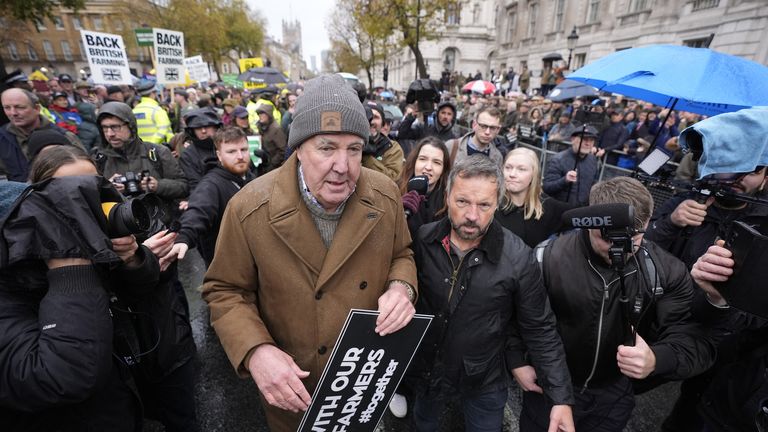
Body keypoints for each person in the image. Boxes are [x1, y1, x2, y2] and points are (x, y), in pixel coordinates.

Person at [201, 74, 418, 431]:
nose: (343, 166)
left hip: (362, 386)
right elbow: (225, 291)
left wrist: (400, 288)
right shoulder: (249, 207)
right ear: (299, 148)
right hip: (295, 391)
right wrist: (256, 351)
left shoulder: (384, 193)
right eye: (326, 147)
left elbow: (402, 253)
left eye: (353, 149)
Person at [516, 176, 715, 432]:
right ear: (589, 223)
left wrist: (657, 359)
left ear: (647, 223)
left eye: (631, 238)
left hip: (612, 397)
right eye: (607, 237)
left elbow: (694, 338)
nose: (616, 249)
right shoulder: (547, 258)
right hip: (548, 387)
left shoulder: (666, 271)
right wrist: (516, 360)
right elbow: (518, 316)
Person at [409, 155, 575, 432]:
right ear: (448, 197)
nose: (472, 215)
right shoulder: (425, 239)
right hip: (430, 373)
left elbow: (540, 327)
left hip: (485, 378)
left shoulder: (518, 256)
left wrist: (560, 398)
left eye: (484, 205)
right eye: (462, 202)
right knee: (424, 423)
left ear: (497, 203)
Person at [642, 108, 768, 432]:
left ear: (765, 176)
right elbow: (642, 252)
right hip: (669, 326)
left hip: (730, 354)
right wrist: (670, 223)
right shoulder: (685, 204)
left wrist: (721, 303)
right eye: (731, 168)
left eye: (752, 170)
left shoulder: (762, 227)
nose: (739, 179)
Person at [164, 127, 255, 267]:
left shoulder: (250, 177)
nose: (240, 156)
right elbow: (199, 210)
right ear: (219, 155)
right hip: (227, 266)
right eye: (231, 151)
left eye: (243, 149)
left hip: (254, 258)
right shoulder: (211, 184)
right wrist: (184, 236)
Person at [94, 101, 188, 226]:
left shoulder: (158, 152)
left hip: (159, 227)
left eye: (115, 127)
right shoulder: (99, 159)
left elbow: (183, 187)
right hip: (121, 230)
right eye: (105, 128)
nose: (110, 134)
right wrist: (107, 188)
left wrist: (157, 186)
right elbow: (90, 199)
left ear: (131, 126)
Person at [496, 148, 573, 248]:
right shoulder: (489, 203)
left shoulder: (546, 205)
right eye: (508, 167)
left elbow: (579, 213)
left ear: (534, 174)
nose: (512, 174)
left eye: (521, 169)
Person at [1, 88, 82, 181]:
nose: (13, 113)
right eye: (7, 108)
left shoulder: (65, 137)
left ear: (37, 108)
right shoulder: (2, 138)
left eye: (20, 107)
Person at [399, 136, 451, 238]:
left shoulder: (449, 200)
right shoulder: (394, 191)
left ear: (443, 169)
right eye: (423, 159)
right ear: (414, 162)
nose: (428, 167)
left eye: (436, 162)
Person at [543, 126, 600, 206]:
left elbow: (594, 183)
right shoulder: (558, 160)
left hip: (582, 211)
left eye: (591, 140)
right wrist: (565, 180)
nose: (588, 143)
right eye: (584, 139)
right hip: (561, 210)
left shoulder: (593, 160)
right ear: (573, 139)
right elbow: (547, 187)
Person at [177, 107, 223, 191]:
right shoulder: (188, 155)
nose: (203, 131)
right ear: (192, 131)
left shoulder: (228, 145)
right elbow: (195, 184)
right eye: (198, 127)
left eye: (207, 126)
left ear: (215, 127)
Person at [363, 101, 404, 182]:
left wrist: (366, 157)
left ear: (382, 123)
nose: (371, 121)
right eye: (367, 116)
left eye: (376, 117)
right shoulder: (350, 142)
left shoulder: (393, 148)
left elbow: (393, 179)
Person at [132, 80, 174, 146]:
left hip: (139, 149)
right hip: (157, 150)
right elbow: (164, 129)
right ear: (152, 94)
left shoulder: (134, 110)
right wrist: (150, 145)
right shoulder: (157, 110)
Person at [255, 105, 287, 173]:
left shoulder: (276, 129)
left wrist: (271, 164)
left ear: (268, 115)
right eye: (259, 114)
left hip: (274, 167)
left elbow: (282, 150)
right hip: (263, 163)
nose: (260, 115)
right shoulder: (261, 127)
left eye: (262, 113)